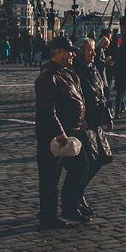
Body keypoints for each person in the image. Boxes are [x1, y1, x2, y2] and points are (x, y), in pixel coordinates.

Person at [33, 35, 86, 229]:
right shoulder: (49, 76)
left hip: (71, 130)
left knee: (81, 167)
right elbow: (47, 108)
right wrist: (59, 132)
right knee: (49, 177)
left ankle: (69, 206)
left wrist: (82, 119)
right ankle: (48, 216)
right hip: (54, 135)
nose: (73, 55)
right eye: (70, 52)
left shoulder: (66, 72)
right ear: (60, 53)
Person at [68, 38, 115, 221]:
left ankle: (78, 195)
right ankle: (74, 198)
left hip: (96, 122)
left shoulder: (92, 69)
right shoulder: (77, 71)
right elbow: (79, 98)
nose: (94, 54)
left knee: (99, 159)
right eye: (90, 50)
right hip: (86, 124)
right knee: (86, 163)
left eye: (94, 50)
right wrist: (83, 118)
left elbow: (103, 92)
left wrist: (108, 116)